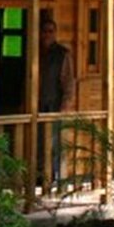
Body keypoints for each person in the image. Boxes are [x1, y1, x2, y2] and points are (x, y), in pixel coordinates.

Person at [38, 18, 74, 184]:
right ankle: (40, 175)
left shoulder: (62, 54)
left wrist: (65, 104)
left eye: (50, 31)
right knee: (39, 141)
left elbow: (68, 81)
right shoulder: (36, 52)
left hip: (54, 104)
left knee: (55, 142)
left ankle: (56, 176)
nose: (47, 34)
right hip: (38, 104)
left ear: (55, 33)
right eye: (45, 31)